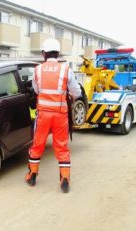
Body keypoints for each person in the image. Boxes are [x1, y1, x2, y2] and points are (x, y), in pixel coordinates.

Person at [25, 38, 81, 193]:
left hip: (43, 114)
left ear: (44, 54)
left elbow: (36, 90)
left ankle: (32, 175)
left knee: (37, 144)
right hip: (60, 115)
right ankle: (64, 178)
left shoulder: (37, 70)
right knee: (61, 147)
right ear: (58, 54)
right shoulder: (66, 70)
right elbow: (77, 92)